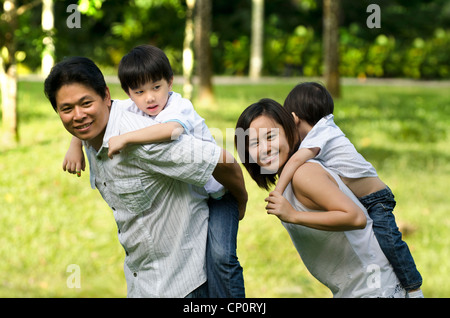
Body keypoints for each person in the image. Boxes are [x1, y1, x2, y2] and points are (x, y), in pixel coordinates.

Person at [44, 56, 247, 298]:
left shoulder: (144, 141)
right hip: (143, 284)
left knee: (225, 260)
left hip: (183, 285)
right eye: (66, 109)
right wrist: (75, 143)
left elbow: (221, 160)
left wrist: (240, 199)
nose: (78, 115)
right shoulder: (93, 131)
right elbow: (81, 122)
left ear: (106, 96)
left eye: (86, 103)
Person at [235, 98, 407, 297]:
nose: (264, 148)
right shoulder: (291, 178)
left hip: (374, 285)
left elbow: (355, 217)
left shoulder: (303, 174)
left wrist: (294, 215)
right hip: (359, 287)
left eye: (270, 137)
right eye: (254, 143)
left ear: (290, 131)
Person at [271, 82, 423, 297]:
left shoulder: (319, 134)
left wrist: (278, 191)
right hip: (366, 198)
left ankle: (415, 289)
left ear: (294, 118)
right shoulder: (325, 129)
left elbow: (295, 160)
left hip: (376, 199)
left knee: (391, 245)